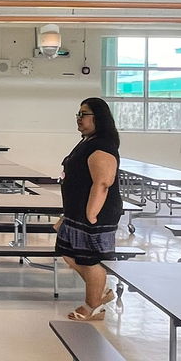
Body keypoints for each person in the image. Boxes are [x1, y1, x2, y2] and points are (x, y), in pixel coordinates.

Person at [58, 96, 124, 321]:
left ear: (99, 118)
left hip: (95, 213)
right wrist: (67, 215)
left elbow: (103, 182)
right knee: (68, 253)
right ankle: (101, 292)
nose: (79, 118)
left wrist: (91, 214)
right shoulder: (87, 141)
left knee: (90, 260)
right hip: (76, 211)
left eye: (83, 114)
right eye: (78, 114)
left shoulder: (102, 145)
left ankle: (93, 307)